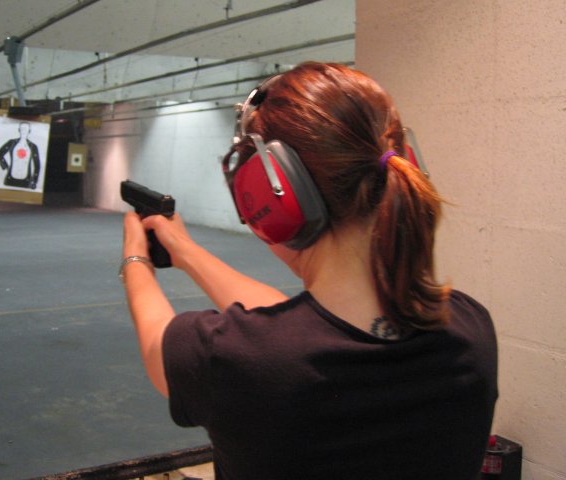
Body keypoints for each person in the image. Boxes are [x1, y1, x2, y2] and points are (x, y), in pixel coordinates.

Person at [120, 62, 498, 480]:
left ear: (274, 194)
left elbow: (158, 338)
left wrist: (135, 258)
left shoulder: (233, 359)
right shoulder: (469, 327)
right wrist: (186, 251)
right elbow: (301, 326)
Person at [0, 121, 41, 190]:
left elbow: (37, 165)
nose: (24, 131)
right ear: (19, 130)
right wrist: (6, 166)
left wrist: (35, 181)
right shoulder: (11, 142)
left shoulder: (33, 146)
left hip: (26, 181)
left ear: (29, 131)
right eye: (22, 129)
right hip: (10, 180)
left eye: (26, 129)